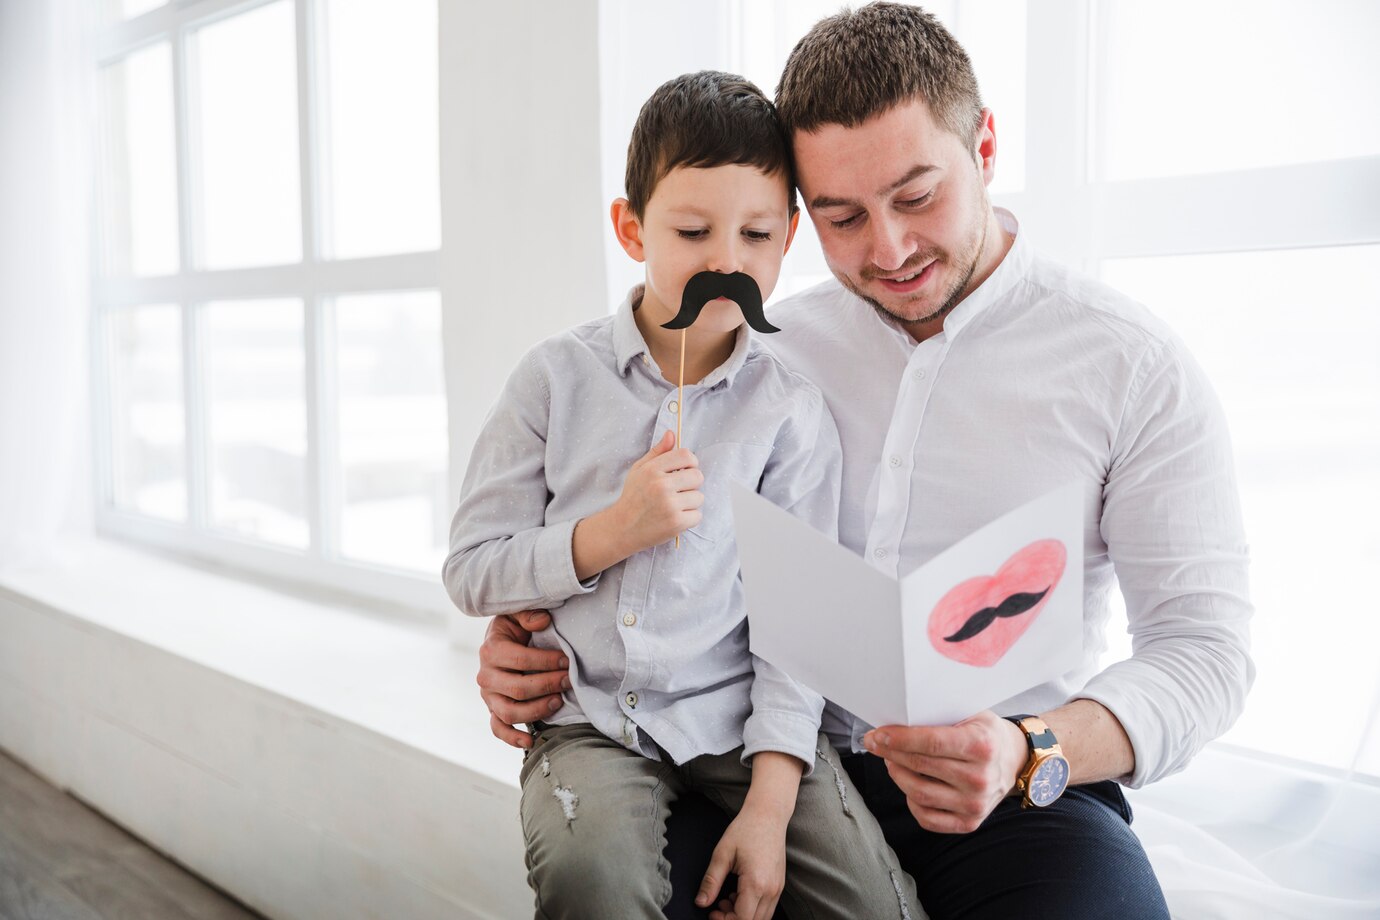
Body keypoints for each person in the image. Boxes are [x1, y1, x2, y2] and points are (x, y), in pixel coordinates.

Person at [474, 5, 1255, 919]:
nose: (888, 250)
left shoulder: (1131, 364)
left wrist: (1032, 748)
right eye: (841, 216)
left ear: (987, 145)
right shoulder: (757, 350)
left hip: (1008, 789)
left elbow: (1206, 650)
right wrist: (531, 639)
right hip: (746, 752)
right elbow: (619, 533)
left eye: (917, 196)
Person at [443, 71, 919, 920]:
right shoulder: (554, 381)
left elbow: (798, 633)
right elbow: (472, 572)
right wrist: (609, 533)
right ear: (631, 228)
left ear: (789, 240)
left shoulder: (789, 412)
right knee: (593, 881)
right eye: (693, 230)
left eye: (757, 234)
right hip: (586, 719)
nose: (726, 262)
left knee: (873, 907)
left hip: (738, 722)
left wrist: (770, 808)